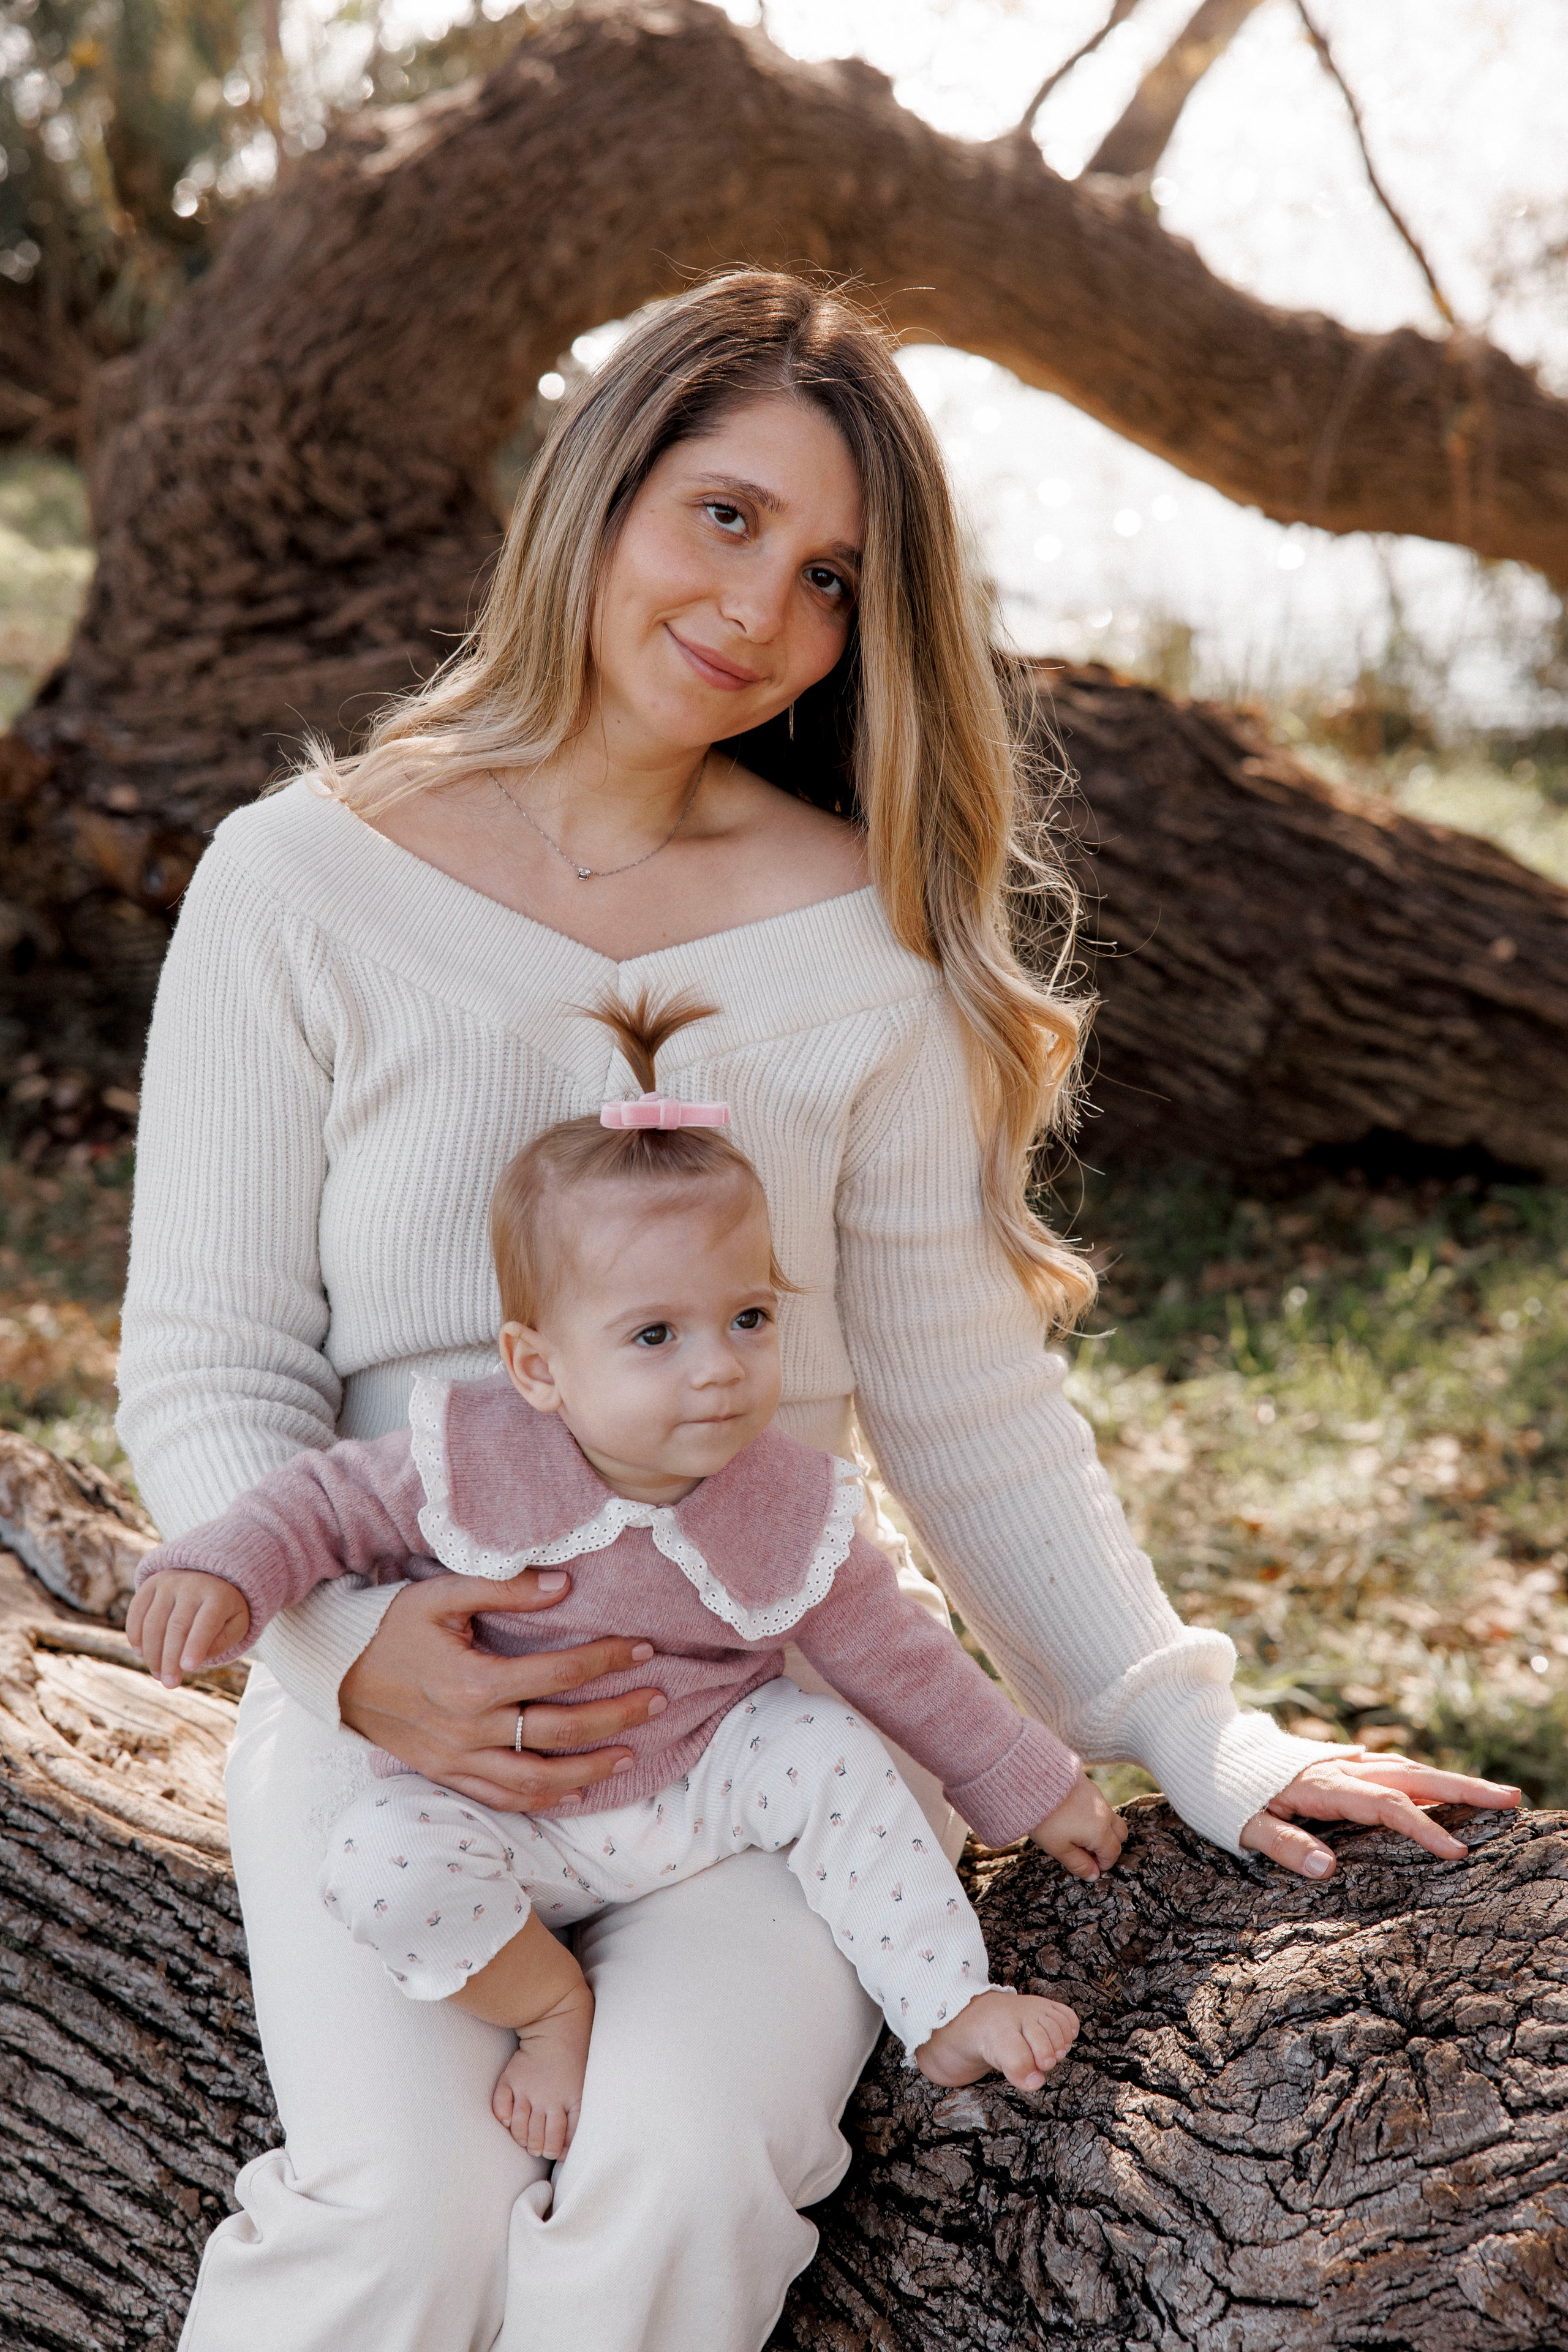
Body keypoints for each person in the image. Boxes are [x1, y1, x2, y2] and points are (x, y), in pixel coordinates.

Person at [116, 270, 1518, 2352]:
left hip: (762, 1734)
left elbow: (964, 1398)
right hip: (397, 1728)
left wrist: (1189, 1727)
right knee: (397, 2225)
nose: (764, 607)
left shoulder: (863, 941)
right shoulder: (297, 884)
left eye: (834, 575)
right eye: (727, 516)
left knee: (680, 2188)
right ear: (601, 492)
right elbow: (211, 1363)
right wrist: (346, 1658)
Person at [129, 988, 1122, 2157]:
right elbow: (316, 1507)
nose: (720, 1370)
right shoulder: (471, 1454)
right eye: (656, 1336)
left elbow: (901, 1659)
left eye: (749, 1318)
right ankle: (547, 2005)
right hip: (495, 1803)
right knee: (379, 1859)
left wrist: (1034, 1785)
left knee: (829, 1746)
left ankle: (947, 2004)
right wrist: (226, 1571)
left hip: (702, 1782)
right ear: (537, 1366)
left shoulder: (782, 1497)